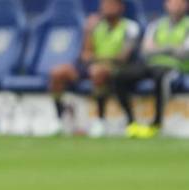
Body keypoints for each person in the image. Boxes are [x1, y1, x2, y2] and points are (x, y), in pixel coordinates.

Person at [49, 0, 140, 137]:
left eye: (110, 5)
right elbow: (85, 54)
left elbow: (122, 57)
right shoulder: (95, 26)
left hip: (115, 68)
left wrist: (97, 59)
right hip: (91, 66)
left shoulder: (130, 27)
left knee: (98, 72)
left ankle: (100, 121)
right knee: (57, 73)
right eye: (104, 5)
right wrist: (88, 31)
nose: (106, 8)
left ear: (120, 7)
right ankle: (59, 120)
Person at [113, 0, 188, 138]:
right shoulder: (156, 24)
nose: (176, 6)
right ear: (166, 5)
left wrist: (159, 48)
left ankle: (157, 123)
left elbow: (184, 52)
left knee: (162, 78)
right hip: (151, 64)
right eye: (173, 2)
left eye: (180, 3)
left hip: (175, 67)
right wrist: (171, 48)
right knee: (120, 76)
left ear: (186, 5)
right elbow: (145, 50)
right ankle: (131, 121)